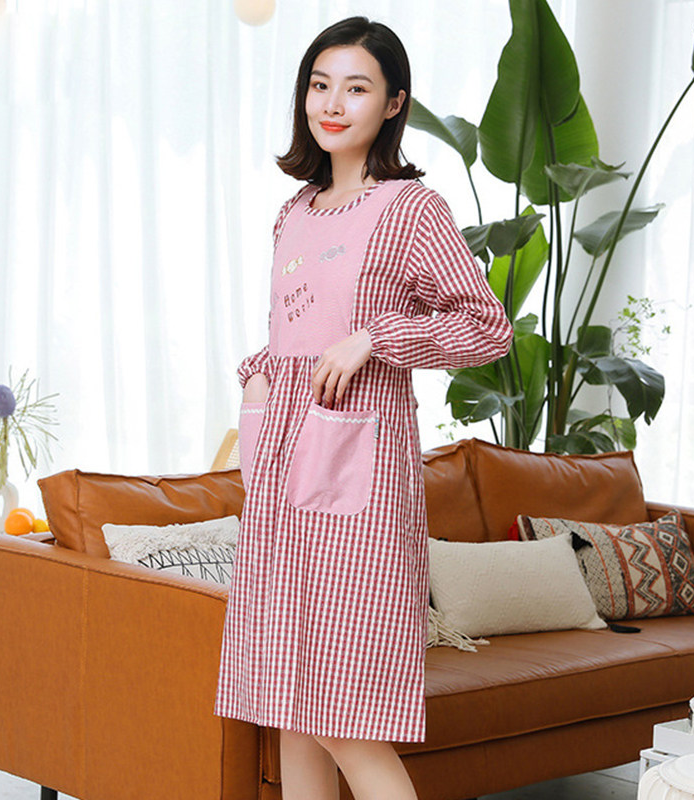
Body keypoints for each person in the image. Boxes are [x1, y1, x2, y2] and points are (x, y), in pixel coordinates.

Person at [213, 15, 513, 800]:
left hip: (360, 476)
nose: (332, 103)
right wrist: (257, 377)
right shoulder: (294, 211)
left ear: (393, 103)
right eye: (320, 85)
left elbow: (486, 326)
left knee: (344, 711)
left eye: (356, 87)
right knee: (290, 702)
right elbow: (292, 335)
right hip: (281, 468)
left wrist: (376, 339)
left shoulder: (412, 209)